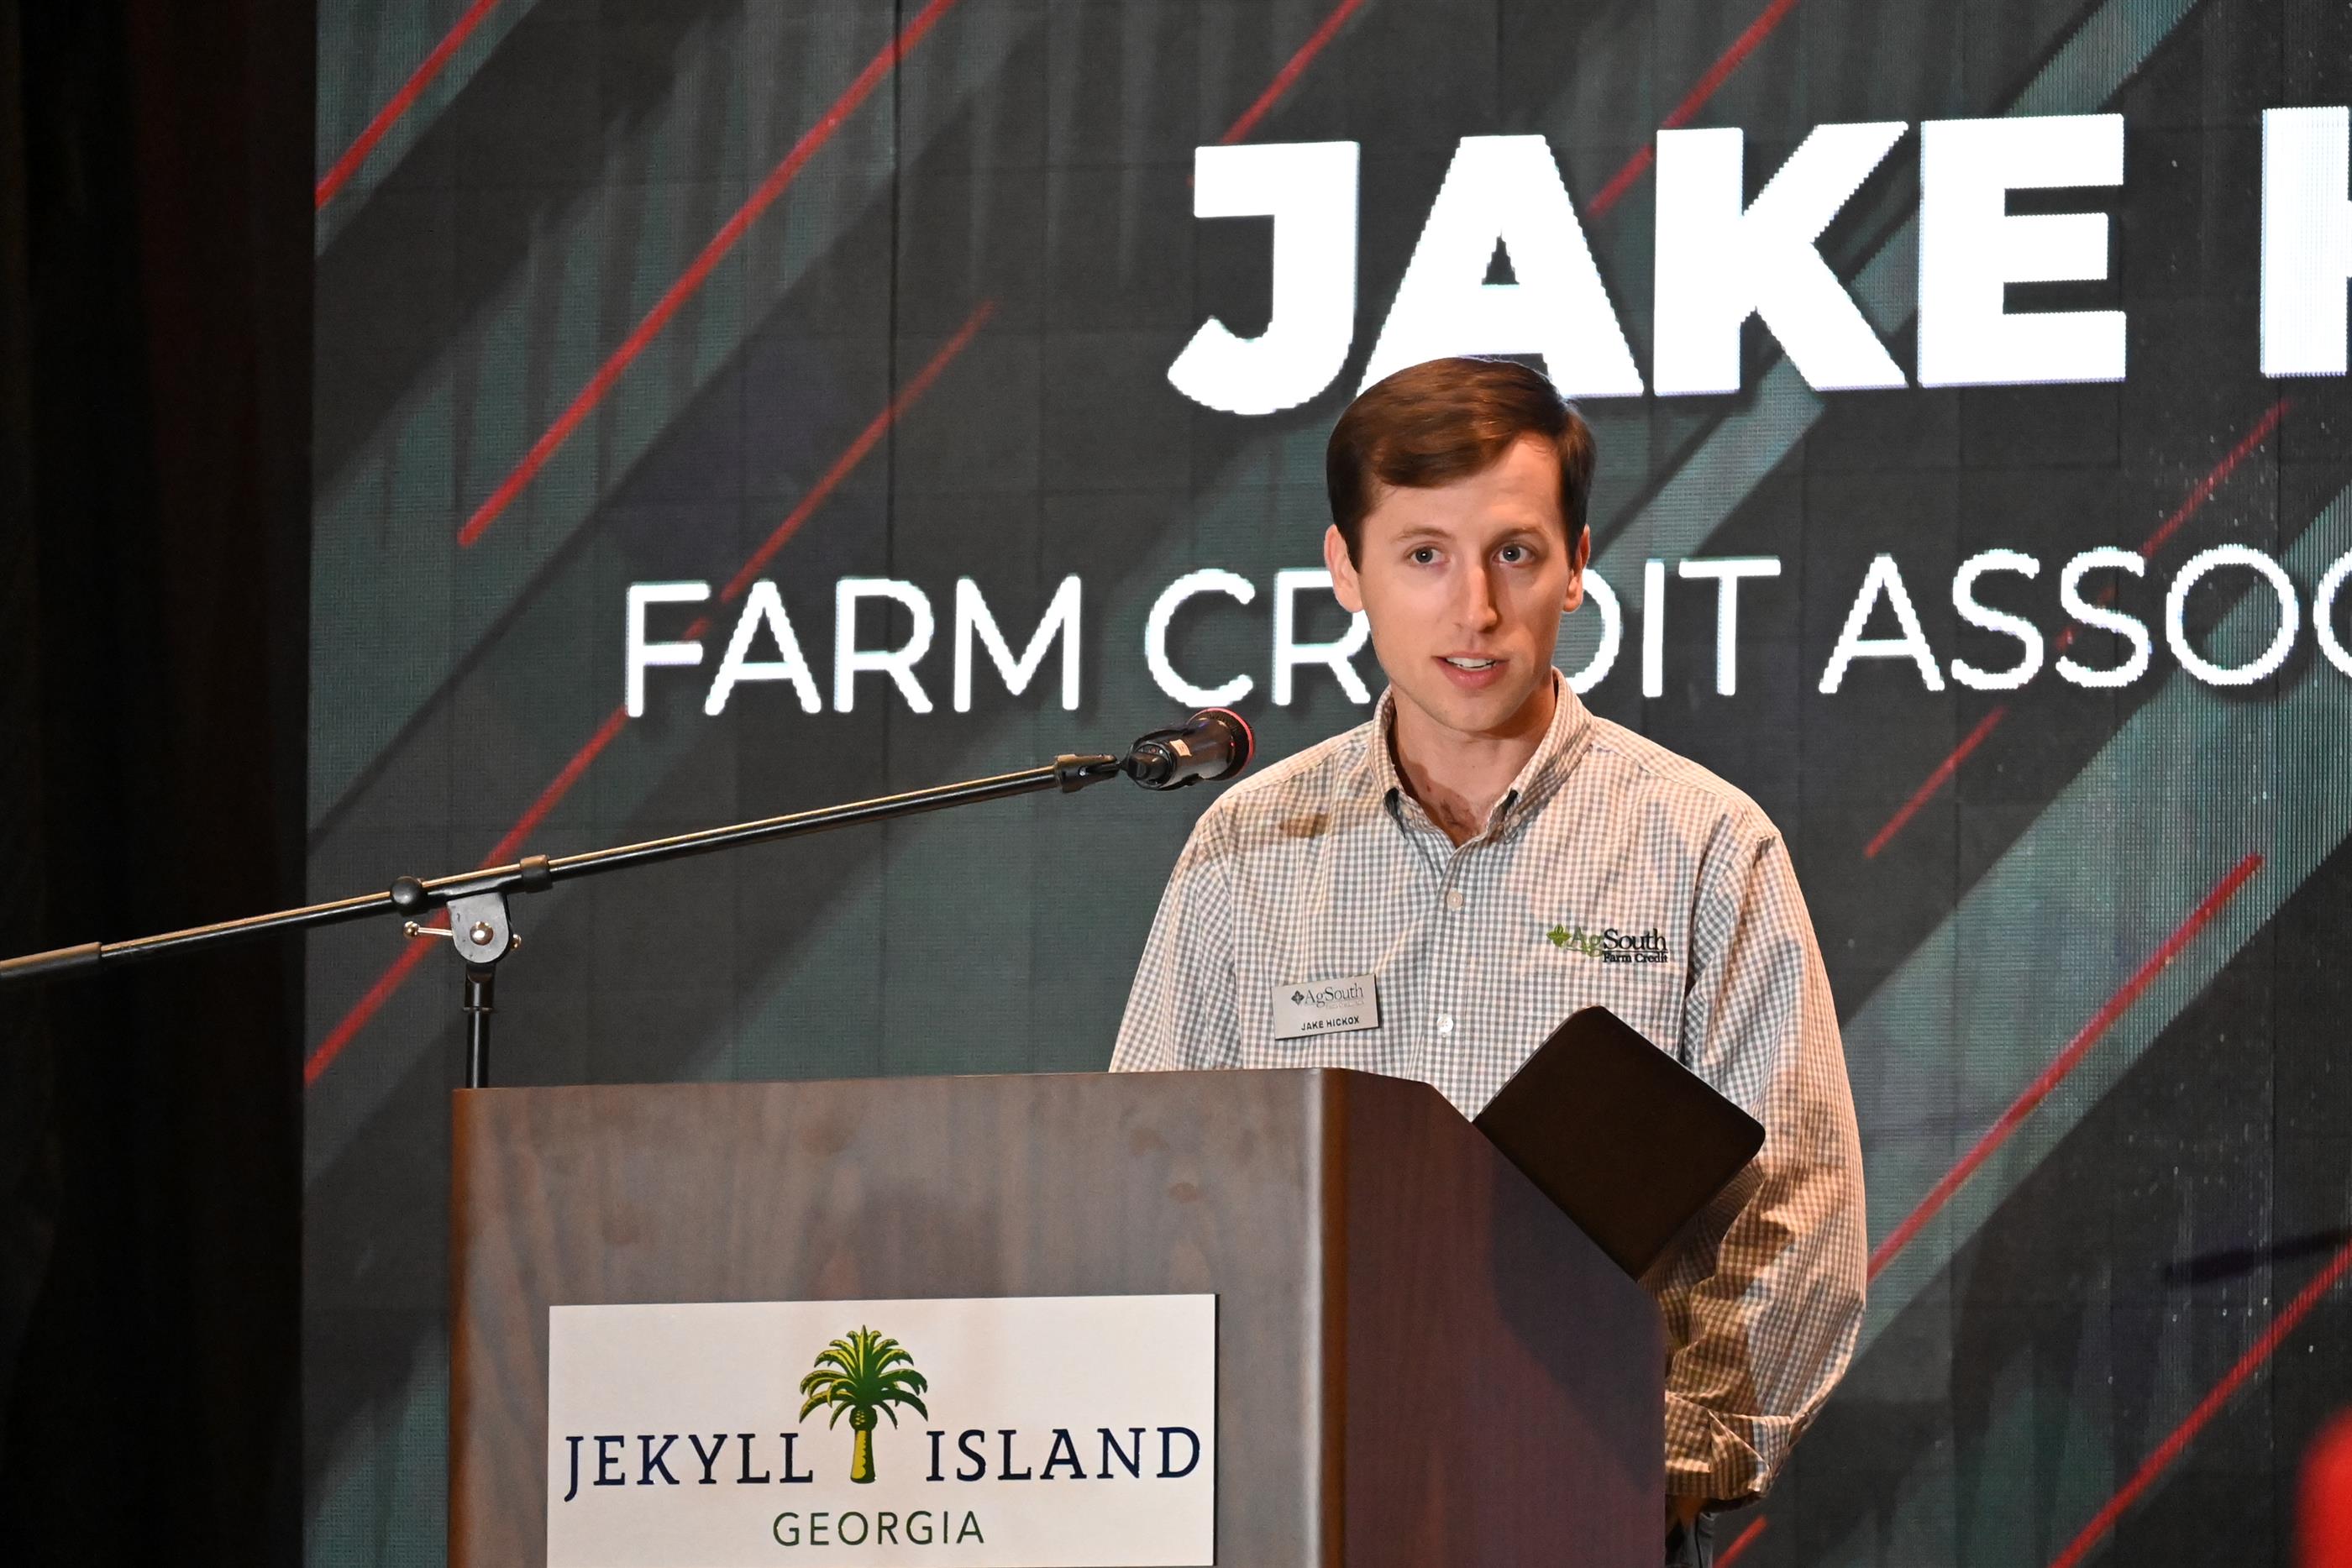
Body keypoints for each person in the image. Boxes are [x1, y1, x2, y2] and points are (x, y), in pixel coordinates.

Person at [1109, 356, 1866, 1568]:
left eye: (1514, 553)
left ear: (1577, 562)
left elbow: (1793, 1214)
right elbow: (1148, 1191)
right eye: (1424, 555)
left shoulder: (1704, 847)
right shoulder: (1246, 849)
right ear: (1345, 569)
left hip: (1586, 1518)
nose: (1475, 610)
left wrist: (1635, 1462)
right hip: (1291, 1516)